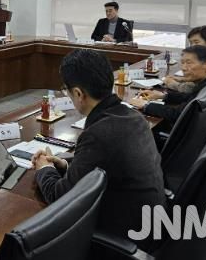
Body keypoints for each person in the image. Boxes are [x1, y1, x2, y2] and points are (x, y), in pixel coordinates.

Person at [32, 49, 165, 242]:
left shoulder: (98, 133)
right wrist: (66, 165)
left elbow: (60, 197)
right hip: (151, 223)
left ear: (78, 93)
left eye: (66, 90)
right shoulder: (133, 116)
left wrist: (44, 168)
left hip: (125, 237)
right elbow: (106, 164)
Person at [130, 45, 206, 133]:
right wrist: (163, 96)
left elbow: (177, 115)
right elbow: (190, 97)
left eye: (189, 63)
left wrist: (145, 105)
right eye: (183, 63)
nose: (184, 68)